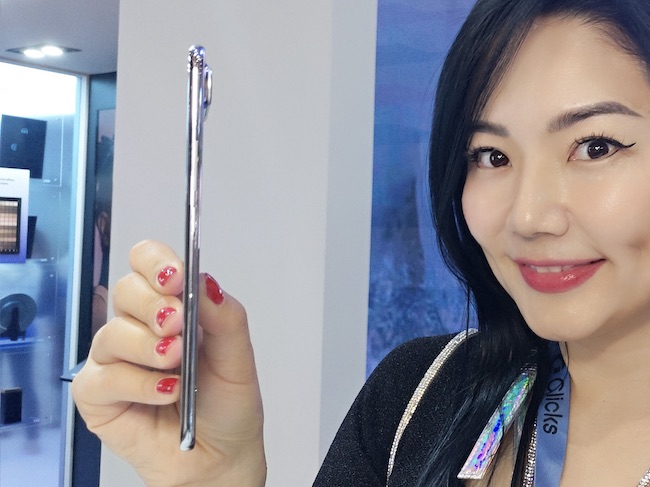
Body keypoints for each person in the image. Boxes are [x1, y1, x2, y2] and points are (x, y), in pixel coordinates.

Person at [71, 0, 650, 485]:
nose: (527, 217)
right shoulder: (419, 397)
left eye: (595, 147)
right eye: (491, 156)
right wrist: (222, 476)